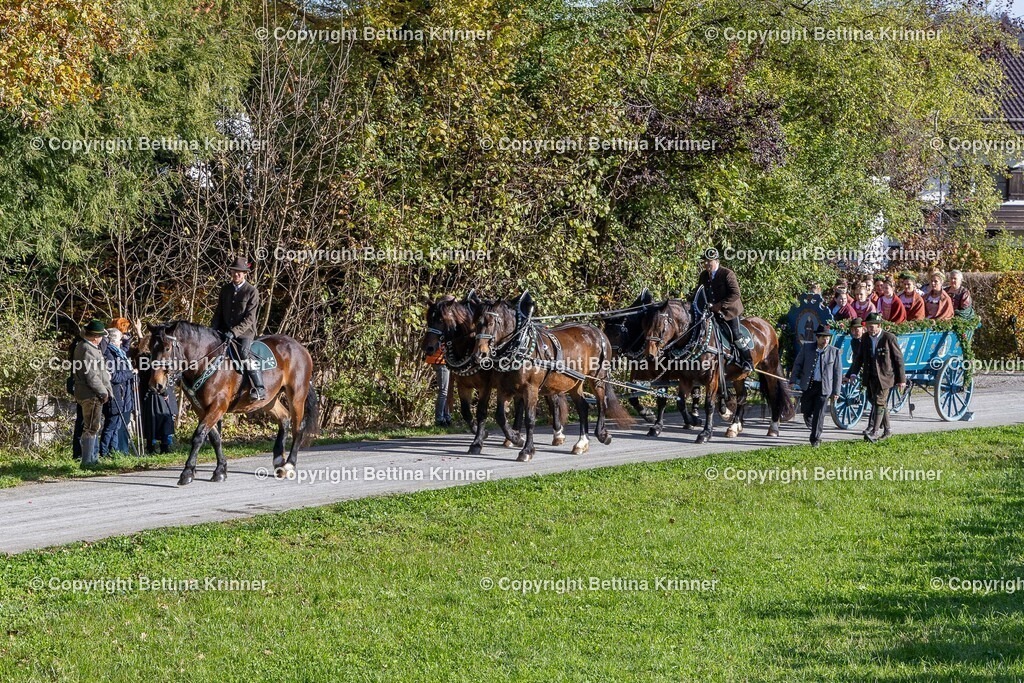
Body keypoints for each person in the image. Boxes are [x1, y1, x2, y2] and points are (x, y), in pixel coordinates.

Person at [211, 256, 266, 400]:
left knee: (243, 353)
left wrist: (234, 332)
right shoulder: (225, 289)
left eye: (239, 272)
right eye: (234, 271)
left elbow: (250, 318)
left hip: (244, 333)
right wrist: (212, 330)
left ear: (245, 274)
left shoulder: (252, 291)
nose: (236, 274)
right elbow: (219, 312)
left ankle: (258, 387)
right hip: (224, 331)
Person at [845, 312, 906, 442]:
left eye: (873, 325)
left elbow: (898, 359)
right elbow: (859, 357)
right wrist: (853, 373)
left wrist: (901, 380)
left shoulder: (889, 338)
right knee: (876, 402)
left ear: (879, 326)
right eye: (868, 325)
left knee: (879, 402)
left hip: (886, 377)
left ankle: (874, 431)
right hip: (871, 375)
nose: (870, 328)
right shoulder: (866, 338)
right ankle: (888, 430)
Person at [695, 248, 752, 372]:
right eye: (705, 262)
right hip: (711, 312)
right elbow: (698, 292)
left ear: (716, 261)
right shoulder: (704, 275)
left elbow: (736, 294)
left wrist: (719, 305)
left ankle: (748, 361)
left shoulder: (727, 274)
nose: (706, 264)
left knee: (735, 334)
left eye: (709, 262)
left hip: (730, 312)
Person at [791, 324, 843, 447]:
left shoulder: (834, 352)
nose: (826, 340)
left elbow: (838, 373)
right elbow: (797, 364)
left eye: (828, 338)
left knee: (820, 413)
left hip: (824, 387)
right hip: (809, 385)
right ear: (817, 337)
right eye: (823, 338)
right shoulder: (807, 348)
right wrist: (793, 380)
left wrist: (836, 392)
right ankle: (814, 426)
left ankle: (815, 438)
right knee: (806, 412)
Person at [72, 319, 113, 467]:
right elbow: (91, 375)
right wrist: (102, 391)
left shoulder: (85, 346)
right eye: (100, 336)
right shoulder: (87, 349)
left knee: (92, 426)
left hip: (88, 392)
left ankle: (92, 458)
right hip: (91, 393)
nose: (102, 338)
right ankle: (87, 461)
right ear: (95, 337)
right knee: (91, 427)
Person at [99, 328, 136, 457]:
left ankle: (113, 451)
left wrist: (127, 338)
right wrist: (131, 373)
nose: (121, 341)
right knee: (111, 425)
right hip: (114, 393)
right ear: (114, 341)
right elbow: (114, 376)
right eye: (120, 339)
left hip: (121, 393)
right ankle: (104, 453)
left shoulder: (117, 352)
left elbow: (124, 351)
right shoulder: (108, 354)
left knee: (116, 425)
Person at [139, 354, 178, 454]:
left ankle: (162, 445)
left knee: (164, 420)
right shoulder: (151, 360)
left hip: (162, 394)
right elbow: (155, 381)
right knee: (158, 421)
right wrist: (163, 392)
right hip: (156, 395)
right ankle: (155, 446)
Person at [425, 341, 452, 427]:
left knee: (445, 391)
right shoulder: (443, 331)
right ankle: (440, 419)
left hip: (439, 360)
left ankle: (446, 417)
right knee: (443, 392)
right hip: (441, 361)